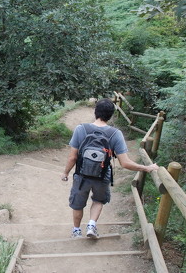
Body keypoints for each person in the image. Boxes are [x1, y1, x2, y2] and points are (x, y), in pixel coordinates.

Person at [61, 98, 159, 239]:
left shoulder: (80, 129)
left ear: (95, 112)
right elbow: (125, 163)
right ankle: (91, 225)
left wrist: (65, 173)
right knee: (98, 200)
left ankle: (76, 231)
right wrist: (147, 167)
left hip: (81, 175)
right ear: (111, 115)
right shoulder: (115, 134)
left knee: (77, 204)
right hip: (102, 176)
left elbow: (72, 158)